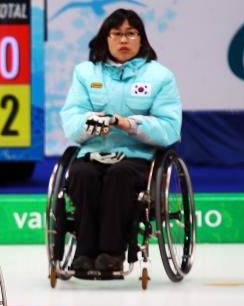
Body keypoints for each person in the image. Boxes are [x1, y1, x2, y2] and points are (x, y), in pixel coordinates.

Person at [59, 8, 181, 272]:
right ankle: (84, 253)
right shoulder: (85, 73)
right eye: (117, 34)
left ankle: (112, 254)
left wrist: (129, 124)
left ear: (141, 38)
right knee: (81, 174)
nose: (124, 40)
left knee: (120, 175)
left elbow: (170, 128)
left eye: (131, 33)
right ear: (106, 38)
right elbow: (72, 120)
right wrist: (91, 125)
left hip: (137, 156)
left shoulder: (159, 76)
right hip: (93, 151)